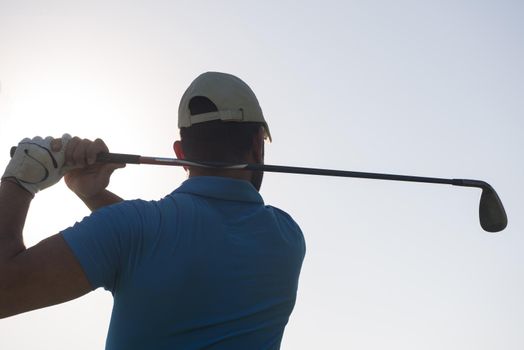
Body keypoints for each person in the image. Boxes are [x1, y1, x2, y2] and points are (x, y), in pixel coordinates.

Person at [0, 72, 306, 349]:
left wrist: (21, 179)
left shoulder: (132, 228)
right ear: (257, 144)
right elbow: (172, 245)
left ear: (180, 154)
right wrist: (93, 195)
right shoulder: (287, 238)